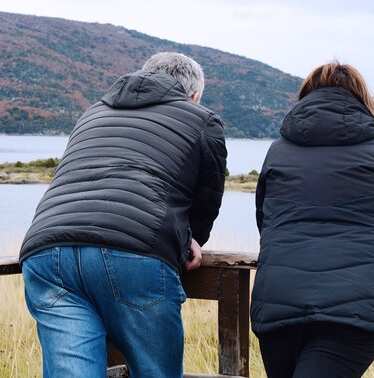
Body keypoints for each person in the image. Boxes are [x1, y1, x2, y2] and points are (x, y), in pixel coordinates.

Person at [19, 52, 227, 378]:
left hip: (47, 252)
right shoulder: (202, 119)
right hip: (134, 254)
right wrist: (192, 239)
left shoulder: (93, 112)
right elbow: (208, 195)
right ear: (195, 95)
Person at [251, 61, 374, 378]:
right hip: (356, 309)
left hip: (279, 305)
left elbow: (266, 222)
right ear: (363, 99)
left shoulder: (278, 152)